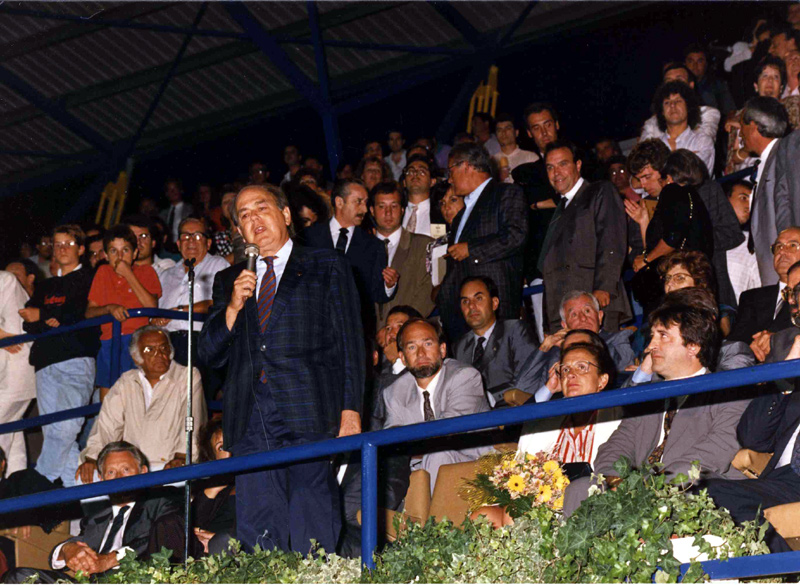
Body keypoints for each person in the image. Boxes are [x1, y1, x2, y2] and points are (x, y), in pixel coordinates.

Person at [198, 183, 364, 554]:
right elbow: (209, 355)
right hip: (250, 418)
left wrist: (350, 411)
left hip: (310, 410)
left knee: (312, 521)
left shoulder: (327, 264)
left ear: (286, 215)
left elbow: (350, 346)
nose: (253, 219)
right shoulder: (229, 281)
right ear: (239, 232)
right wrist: (232, 310)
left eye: (261, 208)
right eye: (243, 216)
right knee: (258, 529)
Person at [705, 260, 800, 554]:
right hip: (786, 477)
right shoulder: (787, 350)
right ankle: (782, 572)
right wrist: (786, 374)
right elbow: (752, 437)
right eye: (794, 293)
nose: (796, 301)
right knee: (706, 494)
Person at [4, 441, 183, 583]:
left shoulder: (162, 501)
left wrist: (109, 560)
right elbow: (72, 547)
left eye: (126, 470)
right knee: (18, 577)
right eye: (111, 472)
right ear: (102, 478)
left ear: (143, 472)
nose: (119, 478)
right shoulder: (96, 517)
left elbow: (160, 538)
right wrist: (67, 550)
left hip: (135, 579)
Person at [20, 225, 99, 488]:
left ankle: (37, 482)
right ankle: (85, 506)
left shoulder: (90, 278)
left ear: (80, 248)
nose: (62, 248)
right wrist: (48, 319)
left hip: (76, 359)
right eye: (57, 244)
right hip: (45, 362)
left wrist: (45, 316)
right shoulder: (47, 285)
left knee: (66, 428)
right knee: (56, 433)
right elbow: (27, 323)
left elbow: (78, 313)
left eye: (68, 243)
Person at [76, 325, 206, 483]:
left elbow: (192, 419)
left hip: (170, 463)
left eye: (164, 348)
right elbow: (107, 425)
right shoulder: (127, 381)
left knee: (180, 475)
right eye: (149, 350)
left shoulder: (187, 376)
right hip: (131, 468)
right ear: (137, 358)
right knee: (87, 477)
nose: (160, 354)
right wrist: (92, 459)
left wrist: (182, 456)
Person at [383, 318, 490, 493]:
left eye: (428, 344)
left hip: (473, 466)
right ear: (402, 358)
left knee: (437, 456)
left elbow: (448, 433)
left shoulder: (465, 377)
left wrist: (409, 447)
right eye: (411, 347)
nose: (420, 353)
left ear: (442, 349)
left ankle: (432, 521)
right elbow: (392, 446)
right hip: (419, 472)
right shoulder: (394, 392)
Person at [436, 142, 528, 342]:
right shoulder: (462, 215)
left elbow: (515, 236)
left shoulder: (506, 193)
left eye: (451, 171)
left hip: (493, 309)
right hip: (460, 317)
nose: (449, 179)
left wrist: (471, 249)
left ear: (467, 166)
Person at [539, 140, 629, 332]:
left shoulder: (598, 191)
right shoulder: (560, 209)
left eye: (563, 164)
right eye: (550, 167)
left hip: (594, 302)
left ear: (578, 165)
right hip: (564, 310)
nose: (556, 173)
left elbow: (612, 238)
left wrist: (604, 287)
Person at [626, 146, 714, 315]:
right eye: (639, 179)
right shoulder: (682, 195)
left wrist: (646, 259)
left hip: (682, 282)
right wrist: (644, 222)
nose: (643, 185)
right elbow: (661, 246)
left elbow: (673, 238)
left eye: (647, 176)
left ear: (663, 171)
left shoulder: (672, 190)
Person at [302, 178, 395, 336]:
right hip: (314, 329)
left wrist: (389, 285)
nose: (365, 209)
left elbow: (377, 294)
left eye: (366, 202)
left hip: (355, 331)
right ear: (339, 202)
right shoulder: (308, 237)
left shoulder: (374, 246)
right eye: (358, 202)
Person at [515, 291, 636, 405]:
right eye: (574, 314)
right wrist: (544, 347)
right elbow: (523, 387)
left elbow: (622, 371)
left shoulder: (618, 339)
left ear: (599, 317)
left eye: (587, 311)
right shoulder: (554, 351)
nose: (582, 318)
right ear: (564, 325)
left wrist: (584, 342)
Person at [517, 342, 622, 466]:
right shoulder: (538, 427)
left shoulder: (620, 423)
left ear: (602, 381)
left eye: (582, 367)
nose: (570, 374)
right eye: (565, 369)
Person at [86, 224, 162, 397]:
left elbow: (152, 307)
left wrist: (128, 274)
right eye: (113, 251)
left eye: (125, 250)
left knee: (135, 397)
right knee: (109, 398)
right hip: (109, 341)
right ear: (105, 255)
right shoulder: (103, 272)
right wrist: (108, 308)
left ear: (135, 253)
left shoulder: (146, 272)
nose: (119, 256)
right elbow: (89, 312)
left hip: (137, 341)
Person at [453, 276, 538, 407]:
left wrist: (489, 397)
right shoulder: (460, 346)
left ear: (494, 303)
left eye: (478, 298)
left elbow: (528, 379)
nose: (471, 306)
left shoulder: (514, 330)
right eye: (465, 301)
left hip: (512, 414)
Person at [728, 227, 800, 359]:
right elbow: (737, 338)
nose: (782, 251)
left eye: (792, 245)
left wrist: (775, 341)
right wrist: (753, 346)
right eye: (778, 246)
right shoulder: (751, 297)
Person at [370, 181, 434, 324]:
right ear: (372, 211)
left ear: (403, 210)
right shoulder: (361, 248)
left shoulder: (424, 245)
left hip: (409, 331)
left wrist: (398, 327)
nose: (388, 213)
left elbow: (428, 293)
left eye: (394, 206)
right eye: (381, 207)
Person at [0, 271, 35, 475]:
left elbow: (15, 338)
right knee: (13, 440)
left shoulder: (6, 280)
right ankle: (17, 498)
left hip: (14, 377)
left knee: (4, 436)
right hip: (9, 379)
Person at [650, 80, 715, 174]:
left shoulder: (702, 141)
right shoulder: (654, 147)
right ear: (661, 112)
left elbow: (695, 176)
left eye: (678, 101)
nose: (672, 105)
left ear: (688, 107)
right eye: (667, 102)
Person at [191, 419, 235, 557]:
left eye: (232, 442)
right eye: (221, 447)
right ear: (213, 456)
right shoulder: (210, 487)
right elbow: (191, 524)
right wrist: (214, 488)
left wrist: (218, 540)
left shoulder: (258, 483)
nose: (229, 450)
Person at [725, 180, 762, 302]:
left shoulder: (751, 244)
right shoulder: (701, 238)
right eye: (743, 198)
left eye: (752, 201)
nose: (748, 206)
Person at [684, 43, 736, 115]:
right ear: (685, 63)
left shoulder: (718, 85)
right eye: (691, 61)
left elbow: (730, 111)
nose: (695, 65)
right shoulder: (679, 84)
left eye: (699, 61)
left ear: (706, 64)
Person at [400, 154, 444, 238]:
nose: (415, 174)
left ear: (432, 181)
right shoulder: (397, 212)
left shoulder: (440, 213)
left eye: (422, 171)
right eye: (410, 171)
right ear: (404, 182)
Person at [491, 112, 539, 183]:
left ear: (516, 132)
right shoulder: (492, 161)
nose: (503, 133)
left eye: (508, 128)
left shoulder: (530, 158)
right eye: (499, 130)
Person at [125, 214, 176, 279]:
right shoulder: (118, 268)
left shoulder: (165, 267)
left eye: (143, 236)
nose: (138, 242)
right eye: (132, 237)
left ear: (153, 243)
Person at [159, 178, 194, 249]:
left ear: (181, 190)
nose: (173, 192)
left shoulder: (190, 209)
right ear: (166, 193)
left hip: (184, 247)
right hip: (165, 249)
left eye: (175, 188)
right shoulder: (162, 213)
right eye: (170, 190)